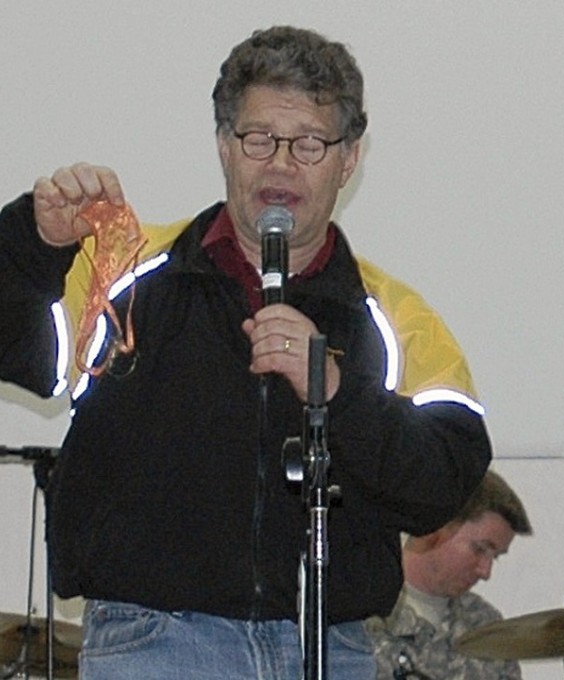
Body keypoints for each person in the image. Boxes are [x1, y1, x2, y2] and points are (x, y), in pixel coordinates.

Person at [0, 26, 491, 680]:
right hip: (155, 644)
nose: (282, 164)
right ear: (225, 146)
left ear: (350, 159)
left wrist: (338, 393)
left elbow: (444, 480)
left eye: (310, 143)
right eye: (259, 138)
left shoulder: (390, 316)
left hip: (332, 646)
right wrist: (33, 242)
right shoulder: (128, 275)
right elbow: (14, 347)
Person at [366, 469, 531, 680]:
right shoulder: (362, 615)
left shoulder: (484, 625)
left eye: (495, 556)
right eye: (479, 549)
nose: (485, 571)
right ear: (439, 526)